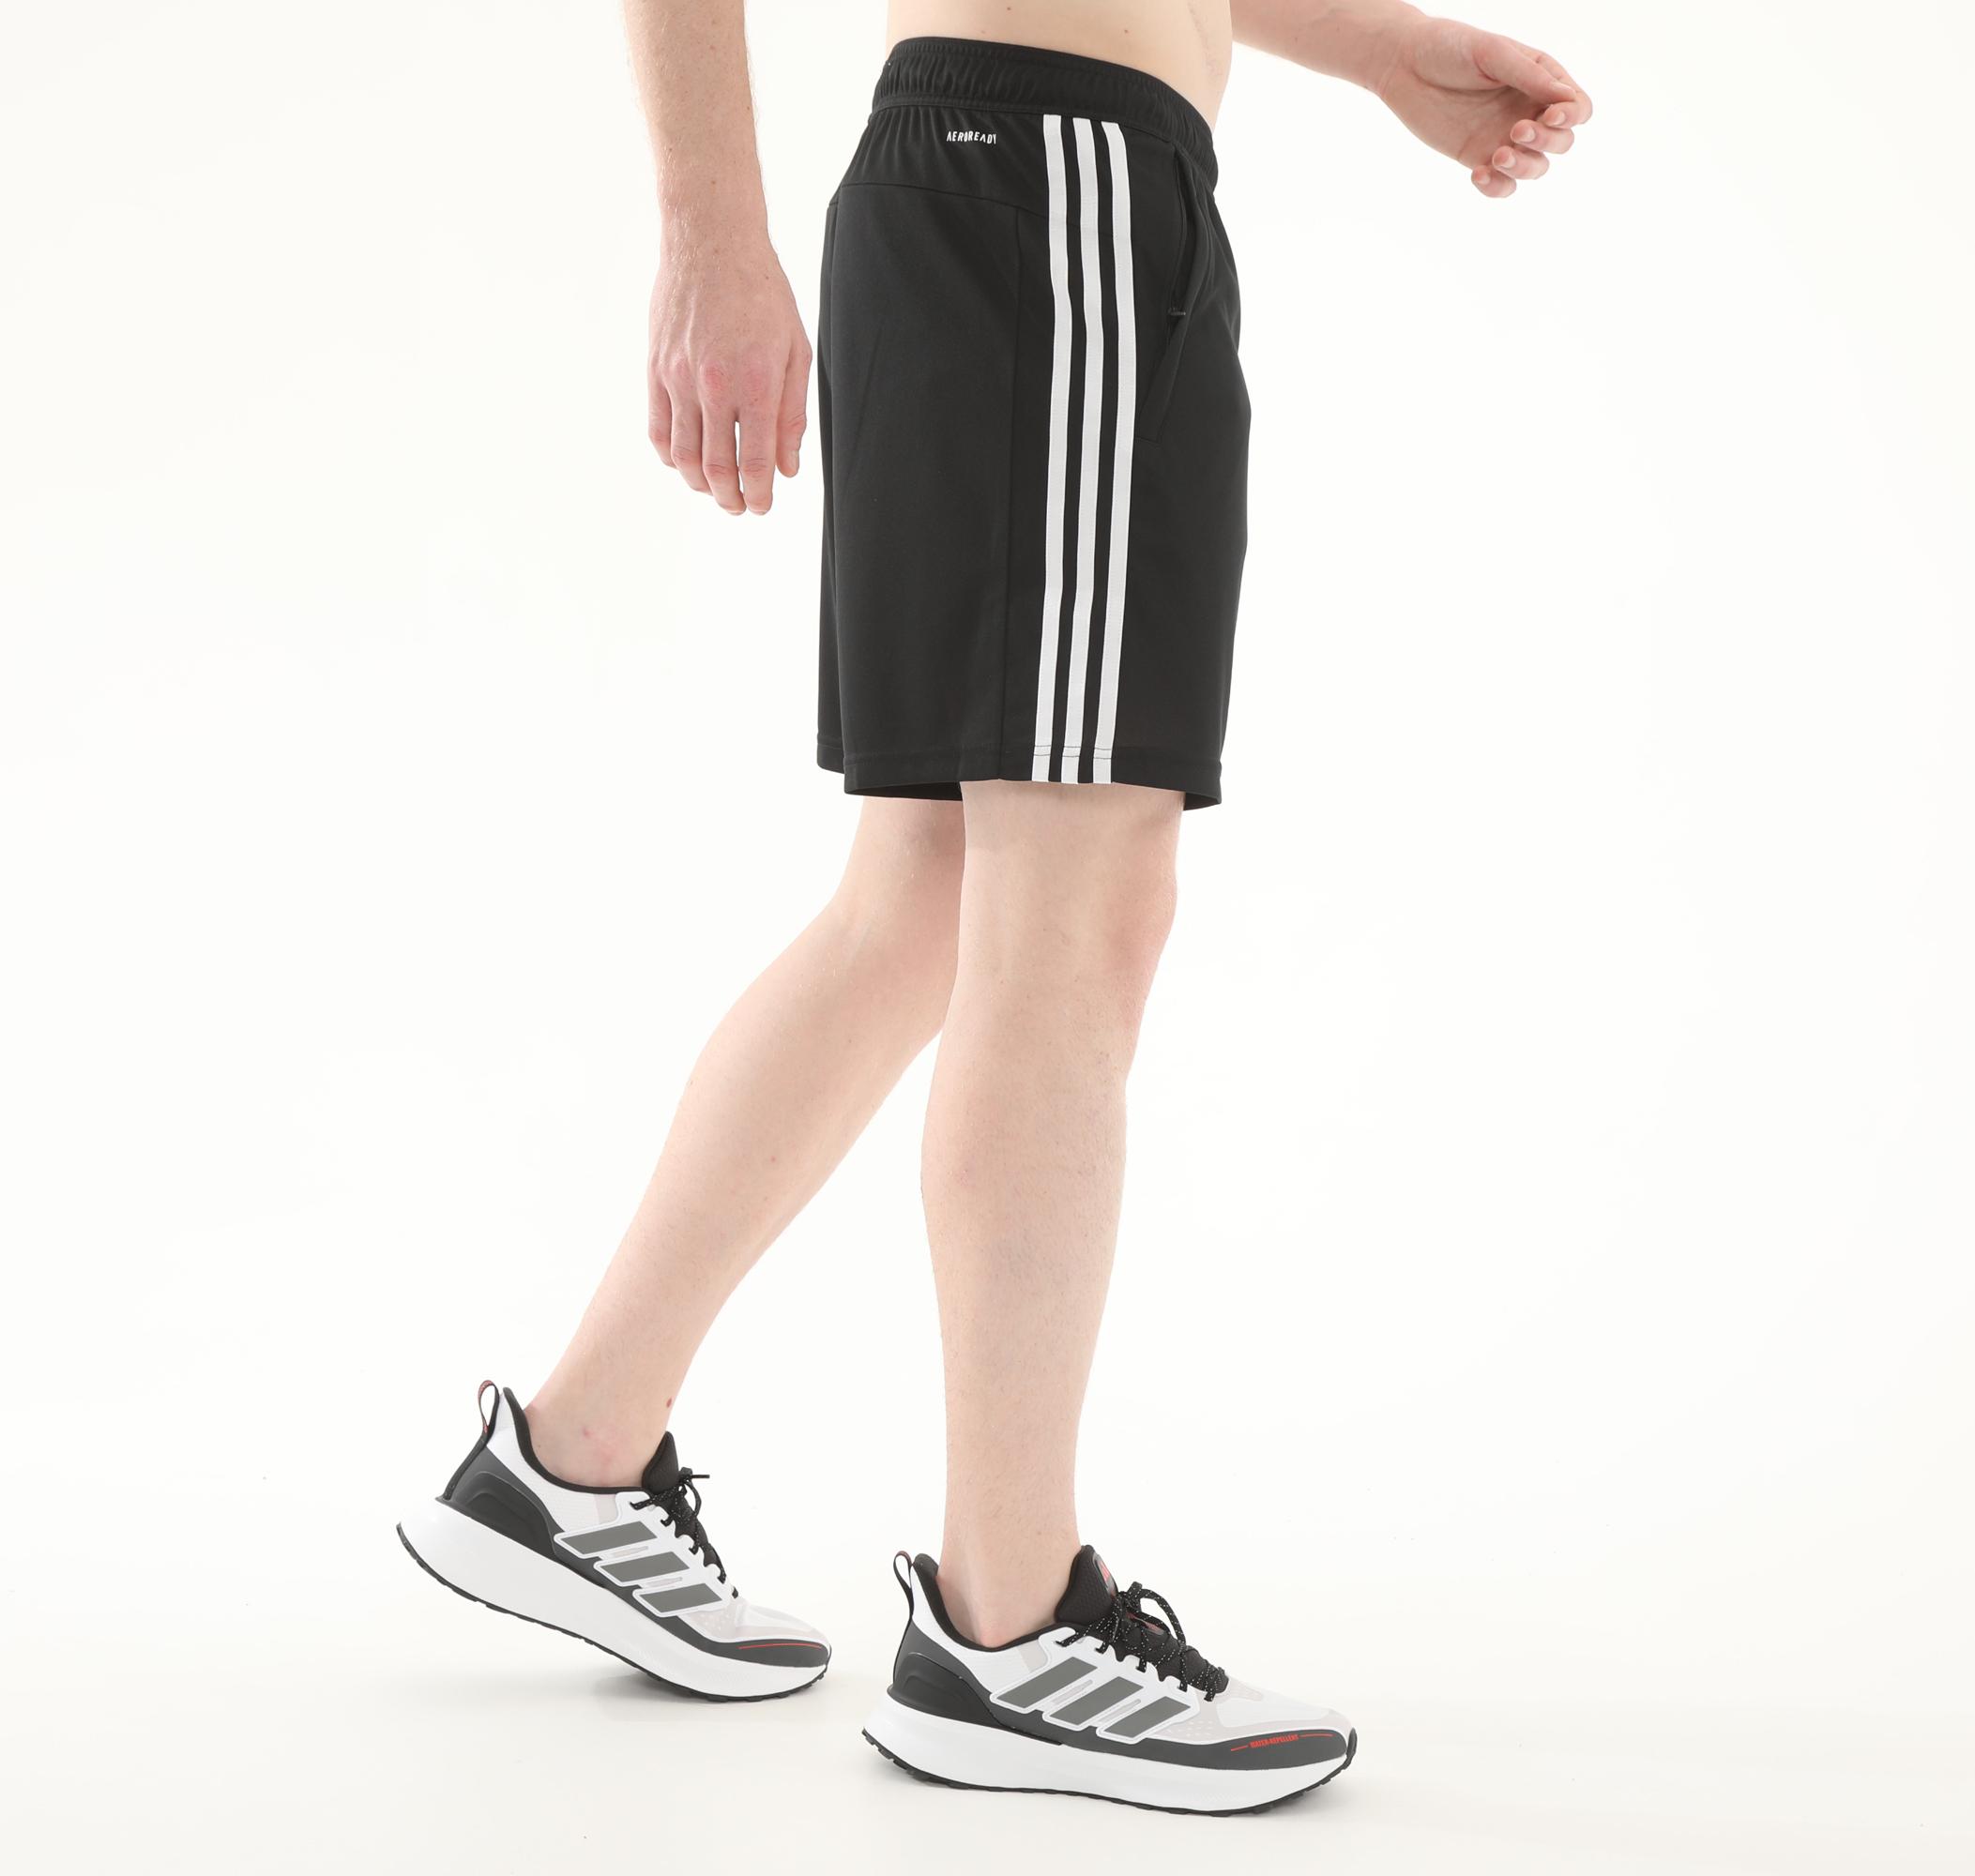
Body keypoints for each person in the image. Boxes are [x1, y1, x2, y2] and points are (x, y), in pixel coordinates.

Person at [398, 0, 1590, 1813]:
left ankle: (570, 1460)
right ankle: (1008, 1629)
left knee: (928, 899)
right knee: (1073, 907)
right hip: (1058, 191)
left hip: (1022, 182)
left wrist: (1369, 52)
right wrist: (708, 227)